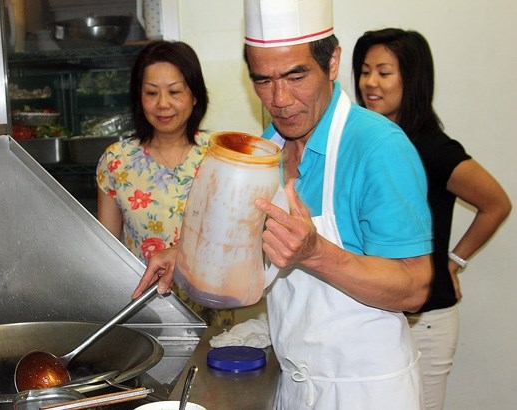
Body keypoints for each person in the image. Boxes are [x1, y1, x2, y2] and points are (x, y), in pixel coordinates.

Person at [133, 1, 434, 408]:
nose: (280, 99)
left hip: (366, 390)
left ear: (332, 63)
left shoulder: (376, 147)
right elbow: (257, 250)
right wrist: (188, 256)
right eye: (262, 79)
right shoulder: (269, 145)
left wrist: (316, 254)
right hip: (293, 385)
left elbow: (414, 287)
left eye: (296, 76)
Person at [352, 28, 512, 410]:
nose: (370, 83)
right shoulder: (364, 142)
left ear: (412, 78)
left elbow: (497, 203)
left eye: (384, 72)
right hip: (374, 312)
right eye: (364, 71)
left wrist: (454, 263)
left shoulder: (433, 148)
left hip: (425, 320)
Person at [96, 40, 235, 327]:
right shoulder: (116, 161)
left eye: (174, 92)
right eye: (151, 93)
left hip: (211, 311)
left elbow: (237, 237)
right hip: (144, 315)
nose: (163, 104)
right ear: (139, 97)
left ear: (194, 95)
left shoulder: (222, 154)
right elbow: (106, 253)